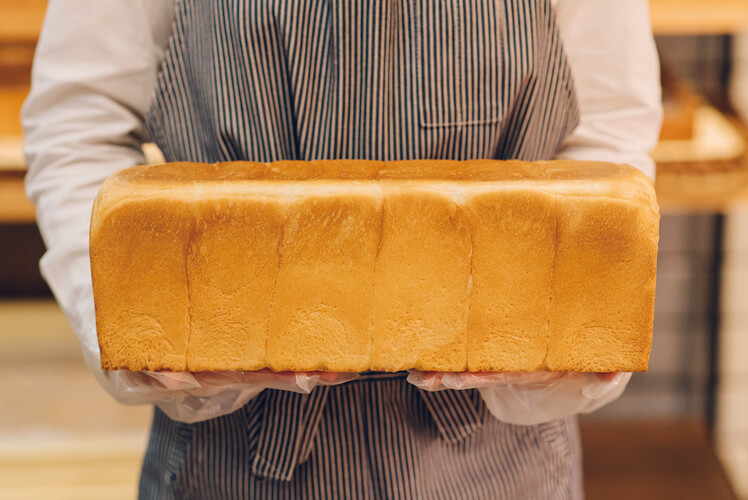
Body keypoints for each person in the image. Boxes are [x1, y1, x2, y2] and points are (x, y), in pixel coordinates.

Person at [22, 0, 661, 498]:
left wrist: (567, 340)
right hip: (227, 460)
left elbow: (606, 139)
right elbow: (79, 125)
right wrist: (147, 337)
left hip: (504, 463)